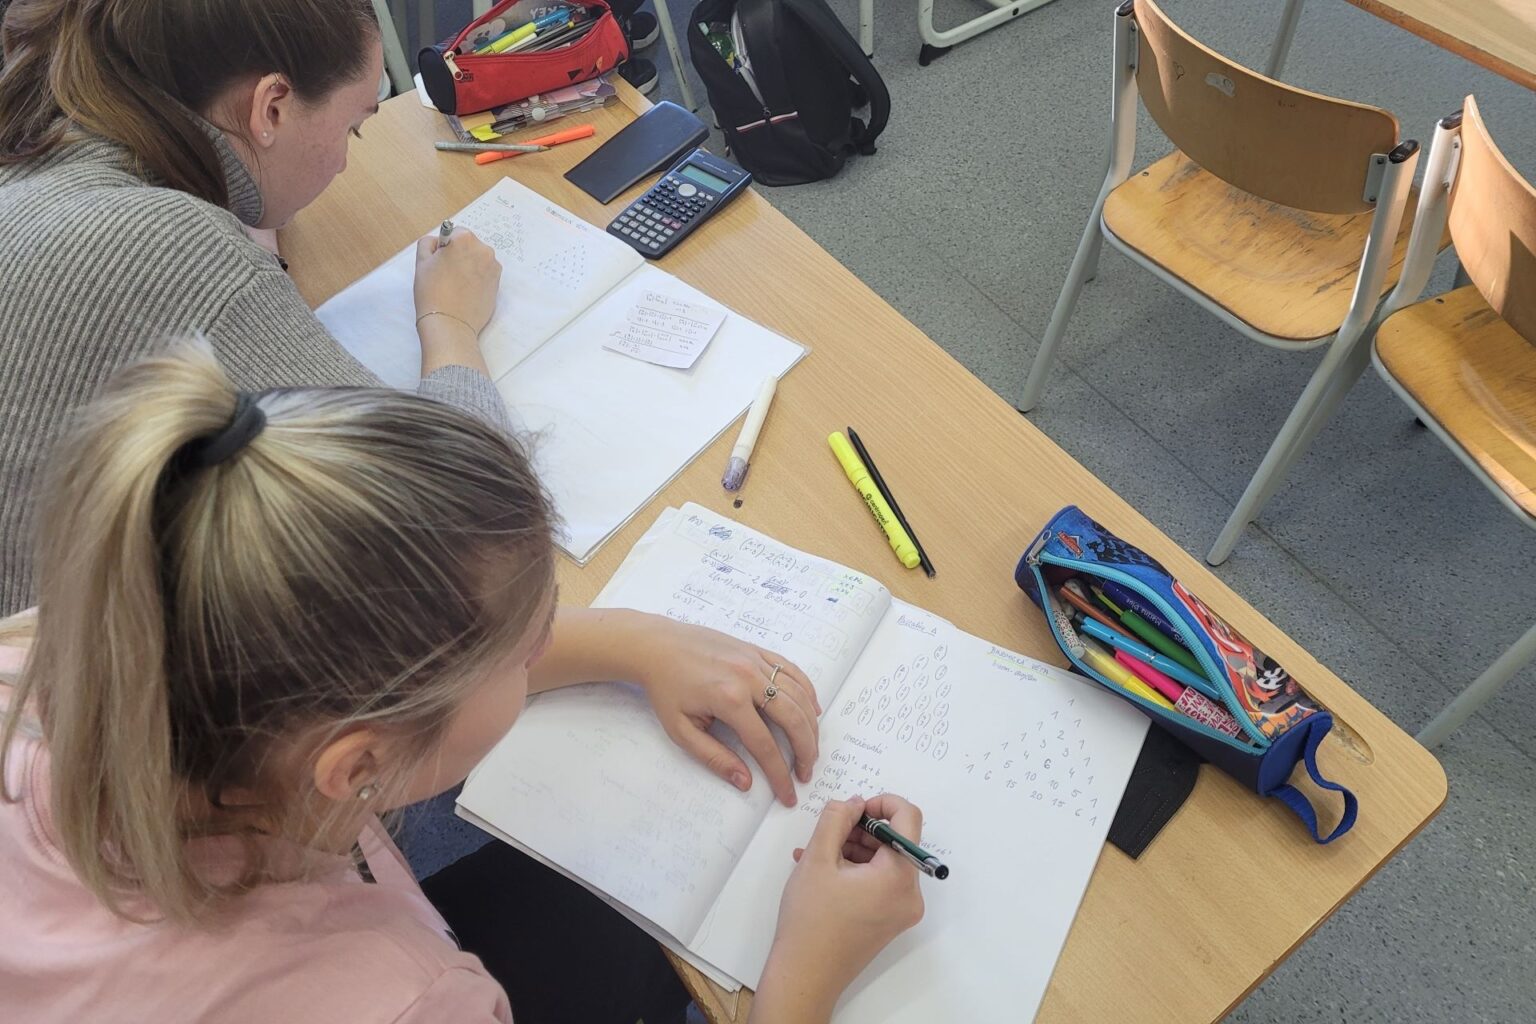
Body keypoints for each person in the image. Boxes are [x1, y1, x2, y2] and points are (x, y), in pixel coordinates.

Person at [0, 344, 926, 1023]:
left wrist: (637, 640)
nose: (547, 645)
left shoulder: (69, 650)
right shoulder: (405, 999)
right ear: (357, 767)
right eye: (525, 651)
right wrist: (804, 976)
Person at [0, 0, 506, 616]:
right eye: (352, 128)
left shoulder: (54, 127)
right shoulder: (163, 246)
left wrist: (249, 192)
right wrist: (450, 321)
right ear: (271, 108)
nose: (344, 163)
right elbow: (470, 527)